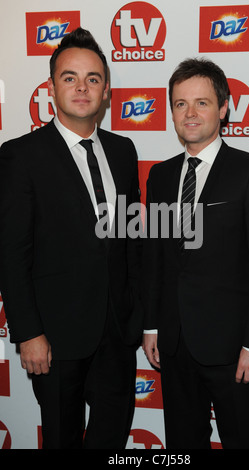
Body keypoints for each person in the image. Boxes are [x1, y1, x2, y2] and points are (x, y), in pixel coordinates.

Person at [0, 28, 143, 449]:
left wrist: (136, 315)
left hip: (117, 332)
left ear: (106, 92)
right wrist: (28, 333)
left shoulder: (123, 150)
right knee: (62, 437)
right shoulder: (20, 155)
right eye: (70, 77)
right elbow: (11, 252)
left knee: (112, 435)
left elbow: (131, 238)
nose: (82, 87)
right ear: (51, 87)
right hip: (54, 336)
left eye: (93, 78)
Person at [142, 58, 249, 449]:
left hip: (235, 351)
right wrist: (152, 326)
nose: (190, 114)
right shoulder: (160, 175)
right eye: (180, 104)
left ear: (223, 108)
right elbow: (155, 259)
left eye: (202, 103)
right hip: (174, 347)